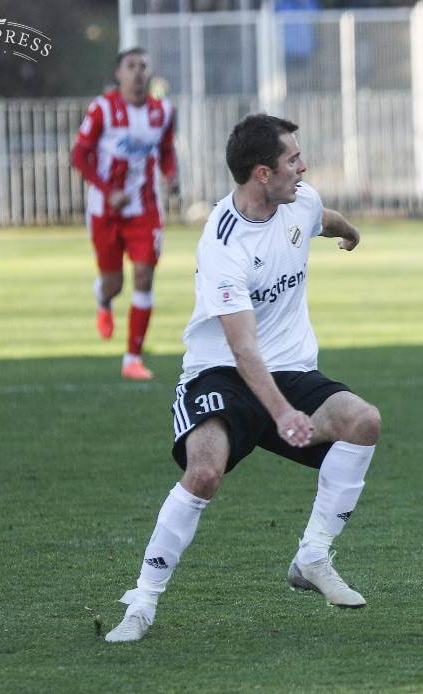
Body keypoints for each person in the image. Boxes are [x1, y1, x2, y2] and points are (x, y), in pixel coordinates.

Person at [104, 114, 381, 643]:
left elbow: (321, 217)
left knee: (363, 421)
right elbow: (242, 346)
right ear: (262, 173)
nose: (303, 166)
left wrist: (349, 232)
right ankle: (142, 600)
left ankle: (313, 556)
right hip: (222, 375)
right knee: (204, 473)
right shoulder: (223, 245)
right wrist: (282, 413)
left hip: (291, 369)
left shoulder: (298, 200)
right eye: (292, 160)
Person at [71, 47, 177, 380]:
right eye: (131, 66)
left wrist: (170, 175)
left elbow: (166, 150)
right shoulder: (102, 109)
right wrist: (108, 191)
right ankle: (103, 300)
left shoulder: (164, 111)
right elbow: (79, 156)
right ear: (119, 73)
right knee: (114, 283)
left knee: (144, 275)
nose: (138, 72)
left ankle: (132, 358)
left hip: (145, 209)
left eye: (143, 66)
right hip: (105, 211)